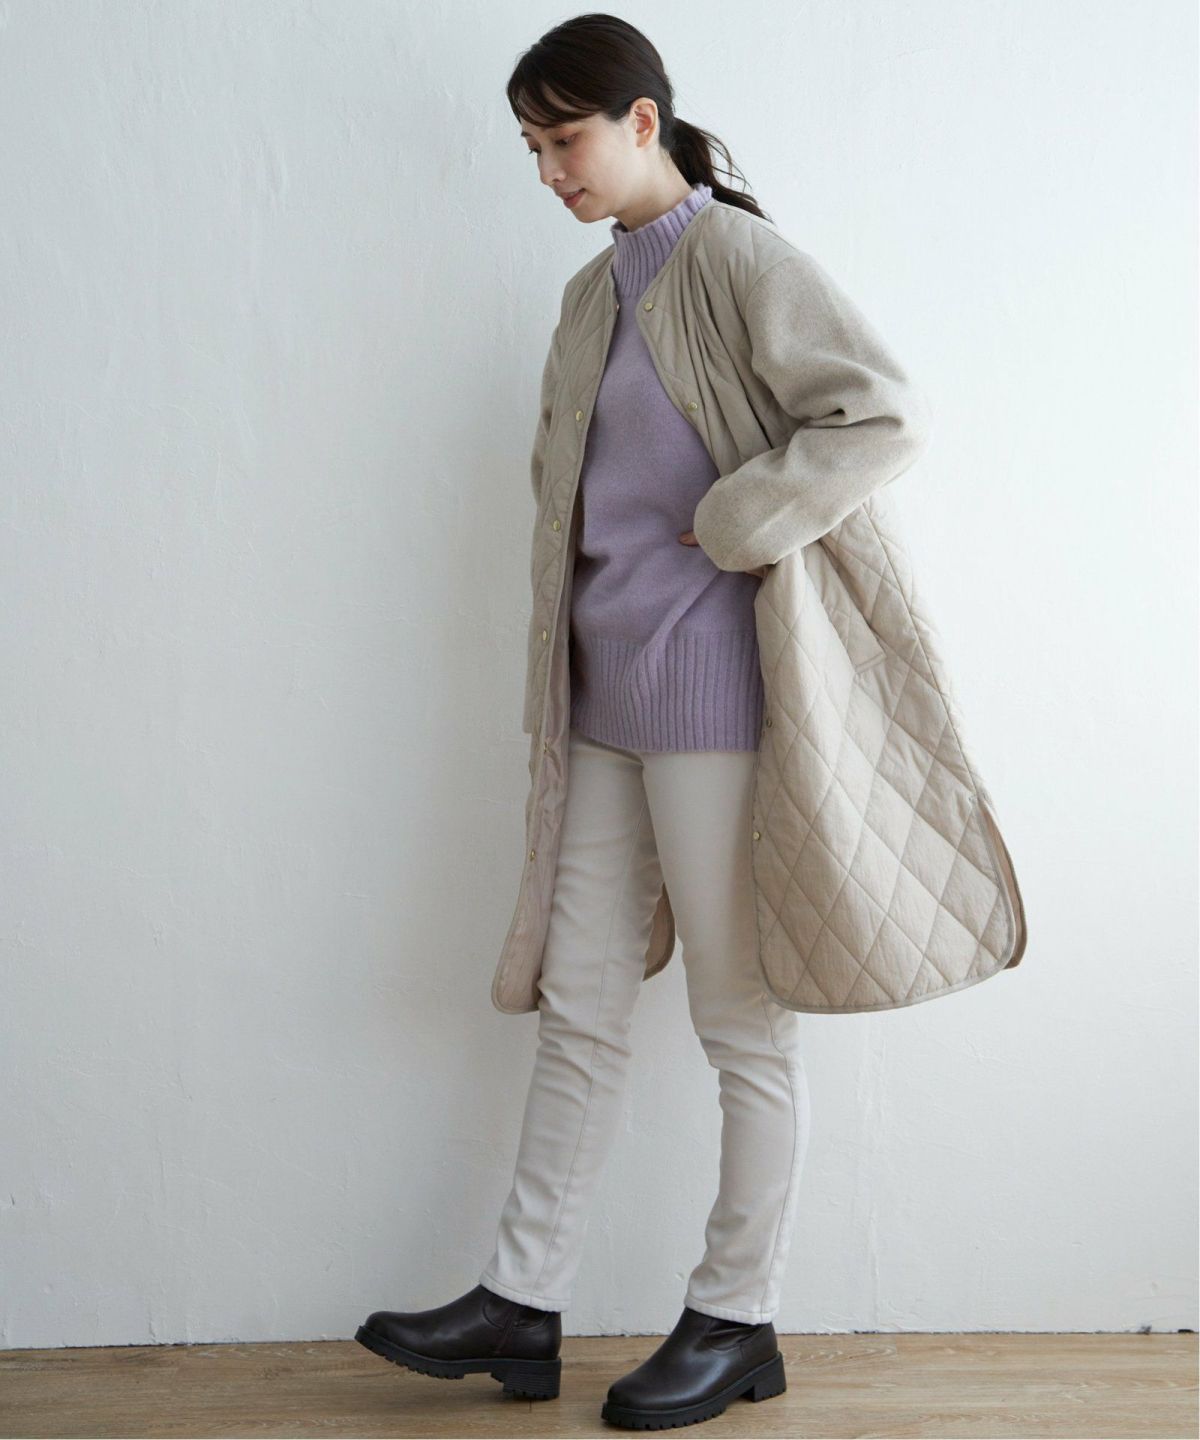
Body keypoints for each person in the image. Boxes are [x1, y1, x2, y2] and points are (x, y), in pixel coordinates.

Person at [357, 13, 916, 1430]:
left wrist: (739, 518)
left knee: (741, 1022)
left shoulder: (741, 259)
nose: (551, 170)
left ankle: (737, 1316)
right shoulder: (589, 293)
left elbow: (878, 415)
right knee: (583, 1005)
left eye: (567, 138)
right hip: (600, 705)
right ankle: (522, 1301)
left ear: (644, 119)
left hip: (715, 701)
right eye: (531, 147)